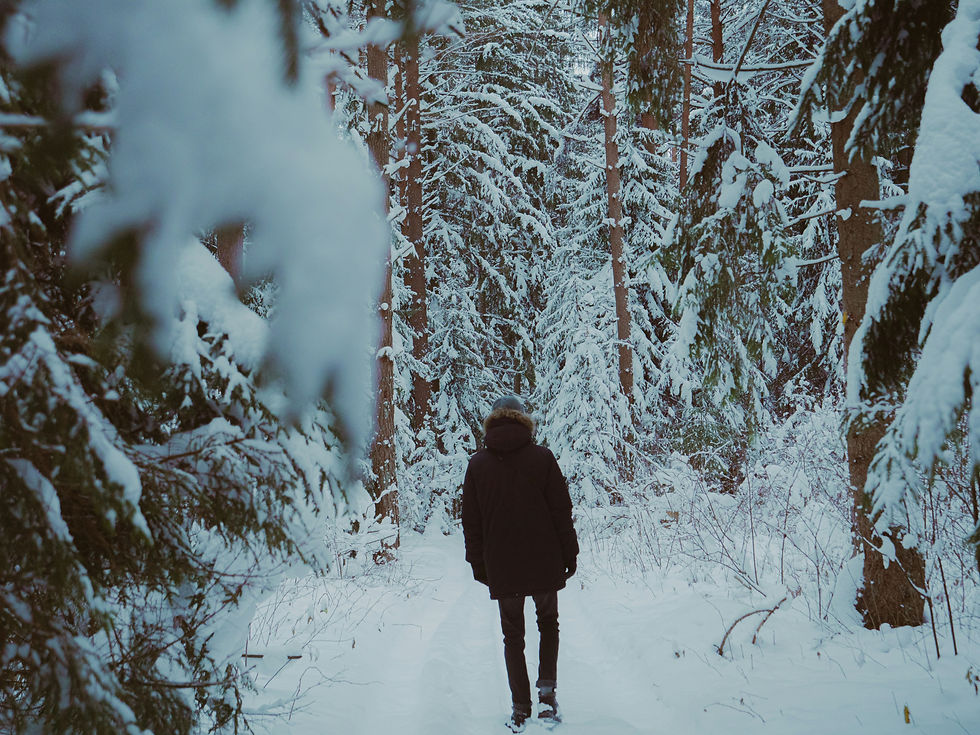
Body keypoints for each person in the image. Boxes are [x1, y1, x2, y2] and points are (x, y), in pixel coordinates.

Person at [462, 395, 578, 733]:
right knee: (548, 625)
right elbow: (561, 510)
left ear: (493, 423)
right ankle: (547, 698)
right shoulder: (542, 457)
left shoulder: (477, 464)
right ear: (523, 421)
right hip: (544, 561)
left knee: (512, 636)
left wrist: (477, 563)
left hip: (503, 564)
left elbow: (471, 520)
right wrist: (569, 554)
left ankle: (519, 708)